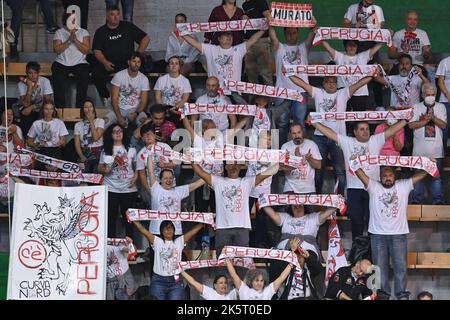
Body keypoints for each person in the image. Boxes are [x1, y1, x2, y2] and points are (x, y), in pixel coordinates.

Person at [310, 117, 408, 239]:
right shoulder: (348, 142)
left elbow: (392, 130)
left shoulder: (375, 140)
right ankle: (358, 250)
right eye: (361, 129)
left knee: (372, 221)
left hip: (373, 189)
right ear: (355, 132)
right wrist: (315, 123)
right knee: (356, 221)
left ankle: (371, 252)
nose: (365, 131)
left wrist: (405, 120)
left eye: (367, 129)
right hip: (353, 189)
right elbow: (331, 134)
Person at [288, 73, 376, 195]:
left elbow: (360, 83)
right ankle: (317, 199)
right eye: (328, 82)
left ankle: (339, 201)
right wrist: (288, 73)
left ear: (337, 84)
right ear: (323, 84)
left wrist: (372, 73)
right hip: (320, 136)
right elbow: (302, 84)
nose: (331, 84)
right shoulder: (318, 93)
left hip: (338, 138)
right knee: (318, 171)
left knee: (340, 171)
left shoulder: (343, 93)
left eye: (334, 82)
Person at [353, 165, 428, 300]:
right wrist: (353, 161)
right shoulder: (373, 186)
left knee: (400, 268)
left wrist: (430, 165)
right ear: (380, 177)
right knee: (380, 269)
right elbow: (359, 174)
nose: (387, 178)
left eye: (390, 175)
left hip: (398, 234)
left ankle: (402, 295)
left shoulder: (403, 185)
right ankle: (383, 296)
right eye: (384, 176)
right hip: (377, 235)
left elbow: (421, 175)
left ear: (395, 176)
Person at [191, 161, 279, 255]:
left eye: (237, 164)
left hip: (242, 229)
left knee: (241, 262)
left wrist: (279, 160)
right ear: (225, 167)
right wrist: (190, 160)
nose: (234, 166)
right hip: (222, 229)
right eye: (231, 164)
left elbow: (267, 173)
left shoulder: (247, 181)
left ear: (241, 167)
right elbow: (200, 172)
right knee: (222, 261)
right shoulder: (218, 181)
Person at [182, 29, 265, 105]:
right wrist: (181, 32)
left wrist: (263, 29)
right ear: (219, 38)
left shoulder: (238, 49)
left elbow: (252, 40)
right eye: (225, 35)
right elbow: (194, 43)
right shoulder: (211, 49)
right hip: (215, 93)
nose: (229, 37)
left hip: (234, 93)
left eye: (230, 35)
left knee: (246, 114)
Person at [133, 219, 203, 300]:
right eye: (165, 228)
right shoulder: (157, 241)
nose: (168, 230)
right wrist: (134, 219)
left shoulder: (179, 241)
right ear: (161, 231)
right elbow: (143, 230)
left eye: (170, 228)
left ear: (174, 230)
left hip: (176, 282)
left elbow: (192, 232)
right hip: (158, 281)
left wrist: (203, 223)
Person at [92, 5, 150, 103]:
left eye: (118, 14)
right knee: (96, 74)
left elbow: (146, 38)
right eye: (112, 14)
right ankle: (106, 97)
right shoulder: (101, 31)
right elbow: (96, 51)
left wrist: (137, 55)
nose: (115, 17)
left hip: (127, 62)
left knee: (142, 73)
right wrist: (105, 62)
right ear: (107, 17)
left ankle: (139, 101)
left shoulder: (128, 26)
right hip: (110, 63)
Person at [269, 24, 316, 143]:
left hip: (300, 92)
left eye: (294, 32)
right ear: (284, 34)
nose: (291, 35)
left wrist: (313, 26)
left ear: (297, 33)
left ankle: (302, 151)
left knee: (300, 122)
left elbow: (312, 34)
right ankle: (281, 151)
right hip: (282, 91)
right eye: (289, 33)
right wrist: (271, 25)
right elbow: (273, 38)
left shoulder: (303, 47)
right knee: (281, 123)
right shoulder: (279, 48)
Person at [146, 150, 205, 236]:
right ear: (160, 180)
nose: (168, 180)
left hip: (175, 232)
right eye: (166, 178)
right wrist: (150, 153)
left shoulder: (178, 191)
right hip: (156, 231)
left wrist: (212, 176)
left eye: (170, 178)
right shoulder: (156, 189)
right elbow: (151, 172)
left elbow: (197, 184)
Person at [409, 83, 447, 205]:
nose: (430, 96)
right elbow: (411, 125)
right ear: (422, 94)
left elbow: (444, 125)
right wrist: (425, 120)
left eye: (433, 94)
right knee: (418, 178)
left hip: (436, 151)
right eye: (427, 94)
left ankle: (438, 201)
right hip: (419, 151)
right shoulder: (416, 107)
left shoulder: (441, 107)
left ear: (436, 95)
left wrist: (433, 118)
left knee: (436, 178)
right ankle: (416, 201)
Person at [98, 124, 137, 238]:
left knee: (129, 220)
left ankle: (130, 249)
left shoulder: (131, 149)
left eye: (120, 131)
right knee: (110, 219)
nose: (118, 133)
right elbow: (99, 168)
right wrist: (105, 169)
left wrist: (135, 178)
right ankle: (110, 248)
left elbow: (137, 168)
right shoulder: (105, 150)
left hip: (128, 189)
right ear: (110, 134)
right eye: (114, 131)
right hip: (110, 187)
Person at [321, 40, 383, 111]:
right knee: (343, 118)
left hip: (360, 93)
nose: (351, 47)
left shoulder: (363, 56)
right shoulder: (340, 57)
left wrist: (386, 36)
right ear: (345, 47)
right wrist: (319, 35)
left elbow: (376, 47)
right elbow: (328, 48)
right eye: (349, 45)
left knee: (359, 118)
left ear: (357, 47)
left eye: (354, 45)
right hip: (343, 92)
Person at [262, 203, 336, 260]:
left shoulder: (313, 217)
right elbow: (273, 214)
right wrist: (263, 202)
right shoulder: (285, 217)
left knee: (311, 258)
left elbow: (326, 213)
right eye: (295, 206)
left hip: (307, 249)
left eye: (300, 206)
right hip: (286, 248)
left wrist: (337, 203)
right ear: (291, 207)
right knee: (276, 260)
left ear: (304, 206)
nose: (298, 208)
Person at [52, 12, 90, 109]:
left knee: (84, 77)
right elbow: (57, 50)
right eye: (71, 20)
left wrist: (75, 40)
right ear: (66, 22)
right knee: (58, 78)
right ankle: (60, 109)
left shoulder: (84, 32)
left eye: (75, 20)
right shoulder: (59, 32)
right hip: (62, 62)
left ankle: (80, 109)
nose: (74, 22)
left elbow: (86, 50)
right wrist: (69, 40)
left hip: (80, 63)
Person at [136, 123, 176, 206]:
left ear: (155, 135)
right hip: (153, 188)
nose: (148, 136)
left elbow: (174, 163)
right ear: (142, 138)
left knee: (171, 210)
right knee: (156, 212)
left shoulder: (165, 147)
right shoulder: (141, 154)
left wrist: (165, 165)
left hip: (169, 185)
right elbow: (142, 175)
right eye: (145, 135)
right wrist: (150, 191)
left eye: (150, 134)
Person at [106, 52, 150, 128]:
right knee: (104, 122)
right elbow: (114, 98)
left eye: (138, 62)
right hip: (119, 109)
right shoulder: (119, 75)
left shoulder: (144, 79)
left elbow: (143, 101)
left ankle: (135, 140)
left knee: (145, 123)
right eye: (134, 61)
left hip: (135, 109)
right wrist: (119, 117)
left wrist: (136, 113)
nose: (136, 64)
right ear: (128, 62)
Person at [281, 123, 321, 195]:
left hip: (308, 188)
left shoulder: (312, 144)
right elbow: (283, 168)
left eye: (299, 132)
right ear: (290, 134)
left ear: (302, 132)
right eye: (294, 133)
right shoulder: (285, 146)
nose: (297, 136)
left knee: (311, 206)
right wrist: (297, 160)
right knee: (285, 206)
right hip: (290, 187)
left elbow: (318, 165)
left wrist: (309, 159)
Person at [226, 257, 293, 300]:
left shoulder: (268, 290)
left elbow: (281, 277)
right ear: (251, 281)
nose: (259, 283)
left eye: (261, 281)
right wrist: (227, 260)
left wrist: (290, 264)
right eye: (257, 280)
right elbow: (233, 275)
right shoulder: (244, 289)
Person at [18, 61, 54, 137]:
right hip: (29, 111)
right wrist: (30, 87)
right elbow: (26, 104)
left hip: (42, 109)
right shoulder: (21, 84)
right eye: (30, 73)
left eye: (35, 73)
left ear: (38, 73)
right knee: (25, 115)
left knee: (44, 113)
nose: (33, 76)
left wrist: (32, 107)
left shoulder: (45, 81)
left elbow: (47, 102)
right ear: (26, 73)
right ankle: (28, 141)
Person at [242, 0, 273, 86]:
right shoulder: (245, 5)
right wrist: (245, 17)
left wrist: (269, 17)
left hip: (261, 40)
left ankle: (269, 98)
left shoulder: (260, 1)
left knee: (265, 72)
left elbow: (267, 14)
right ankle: (253, 98)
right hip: (248, 42)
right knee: (250, 72)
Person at [154, 56, 192, 126]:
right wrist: (165, 110)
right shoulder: (161, 80)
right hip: (164, 109)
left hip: (178, 109)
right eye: (171, 63)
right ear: (168, 66)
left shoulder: (185, 81)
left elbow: (184, 99)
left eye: (176, 63)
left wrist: (175, 108)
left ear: (179, 66)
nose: (174, 65)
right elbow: (158, 98)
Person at [74, 98, 105, 173]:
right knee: (84, 176)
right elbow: (77, 144)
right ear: (82, 110)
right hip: (84, 152)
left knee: (96, 176)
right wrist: (81, 156)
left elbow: (96, 138)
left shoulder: (100, 121)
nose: (88, 109)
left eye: (90, 106)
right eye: (86, 107)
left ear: (94, 109)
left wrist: (91, 121)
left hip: (98, 152)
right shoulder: (78, 125)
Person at [436, 54, 450, 152]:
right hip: (445, 102)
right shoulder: (444, 62)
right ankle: (443, 153)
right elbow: (440, 82)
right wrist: (448, 96)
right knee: (444, 130)